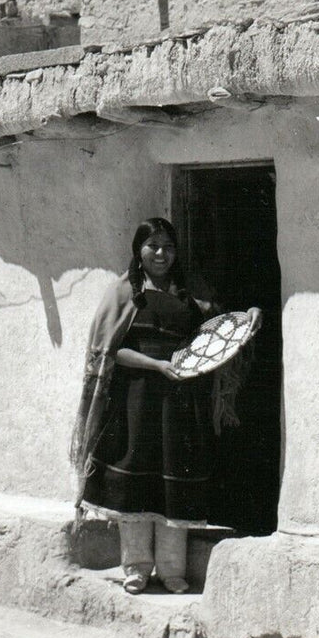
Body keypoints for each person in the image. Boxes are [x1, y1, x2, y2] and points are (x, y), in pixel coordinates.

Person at [69, 217, 260, 595]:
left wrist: (251, 316)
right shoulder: (122, 293)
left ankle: (173, 570)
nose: (160, 254)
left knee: (175, 476)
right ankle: (136, 567)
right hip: (136, 398)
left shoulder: (190, 292)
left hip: (180, 399)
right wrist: (156, 365)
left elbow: (217, 333)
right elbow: (109, 352)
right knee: (135, 474)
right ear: (138, 251)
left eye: (168, 247)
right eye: (152, 246)